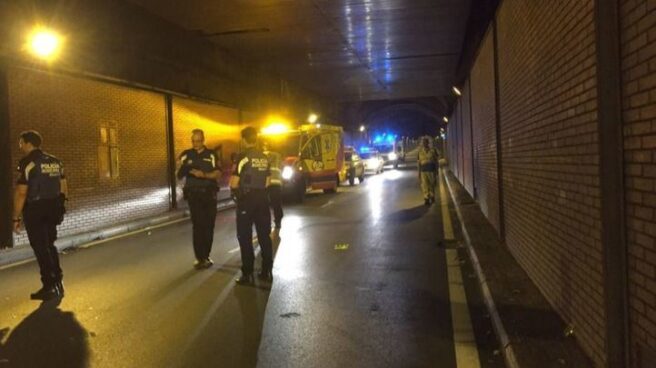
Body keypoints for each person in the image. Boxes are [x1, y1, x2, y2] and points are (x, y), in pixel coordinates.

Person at [12, 131, 68, 300]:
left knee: (40, 247)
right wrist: (61, 205)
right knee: (50, 245)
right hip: (53, 207)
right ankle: (58, 280)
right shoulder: (55, 161)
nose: (19, 145)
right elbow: (63, 186)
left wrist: (15, 218)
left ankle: (49, 285)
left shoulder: (28, 163)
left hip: (35, 210)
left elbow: (22, 193)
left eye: (20, 142)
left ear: (28, 143)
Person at [230, 127, 274, 284]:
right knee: (264, 236)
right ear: (255, 138)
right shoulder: (264, 157)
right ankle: (266, 271)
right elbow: (268, 181)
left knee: (245, 237)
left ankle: (247, 274)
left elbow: (234, 182)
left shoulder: (243, 157)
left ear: (243, 140)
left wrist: (236, 189)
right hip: (262, 199)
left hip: (246, 200)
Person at [177, 129, 222, 270]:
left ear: (203, 140)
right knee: (197, 226)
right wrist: (185, 169)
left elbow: (218, 173)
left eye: (198, 141)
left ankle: (206, 256)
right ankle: (200, 258)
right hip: (194, 195)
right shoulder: (186, 155)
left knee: (209, 226)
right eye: (193, 141)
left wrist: (204, 175)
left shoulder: (211, 154)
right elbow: (178, 168)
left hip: (208, 194)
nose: (195, 144)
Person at [262, 141, 283, 237]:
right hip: (276, 182)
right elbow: (281, 167)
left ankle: (265, 224)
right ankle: (278, 221)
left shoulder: (260, 156)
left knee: (264, 204)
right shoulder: (278, 155)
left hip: (265, 183)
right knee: (276, 204)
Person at [417, 136, 439, 205]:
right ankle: (426, 198)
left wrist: (436, 170)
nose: (424, 144)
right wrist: (419, 172)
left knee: (432, 184)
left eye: (426, 142)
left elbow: (436, 161)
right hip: (423, 170)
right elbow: (418, 163)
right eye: (423, 143)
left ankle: (432, 196)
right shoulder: (419, 152)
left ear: (428, 143)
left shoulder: (433, 150)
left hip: (431, 169)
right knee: (424, 185)